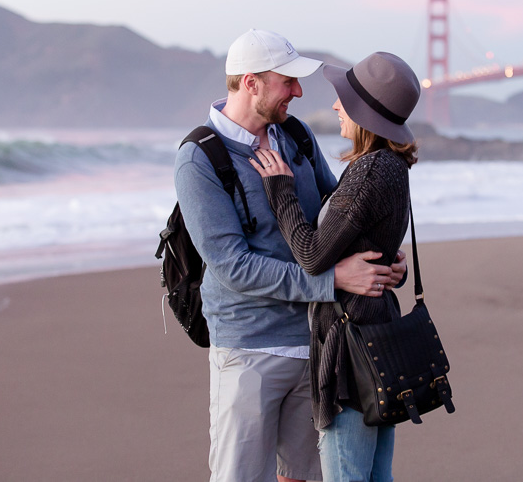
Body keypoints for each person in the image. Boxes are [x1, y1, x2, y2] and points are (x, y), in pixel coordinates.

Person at [174, 29, 407, 482]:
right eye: (288, 81)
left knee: (301, 477)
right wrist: (334, 279)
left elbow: (338, 207)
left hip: (317, 343)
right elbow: (233, 266)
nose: (299, 92)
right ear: (251, 83)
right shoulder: (199, 159)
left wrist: (382, 258)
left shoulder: (294, 135)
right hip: (247, 349)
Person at [251, 52, 421, 482]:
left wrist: (281, 188)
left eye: (343, 98)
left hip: (353, 354)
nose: (334, 105)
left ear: (365, 112)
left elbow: (311, 256)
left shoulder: (370, 171)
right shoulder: (391, 167)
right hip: (377, 341)